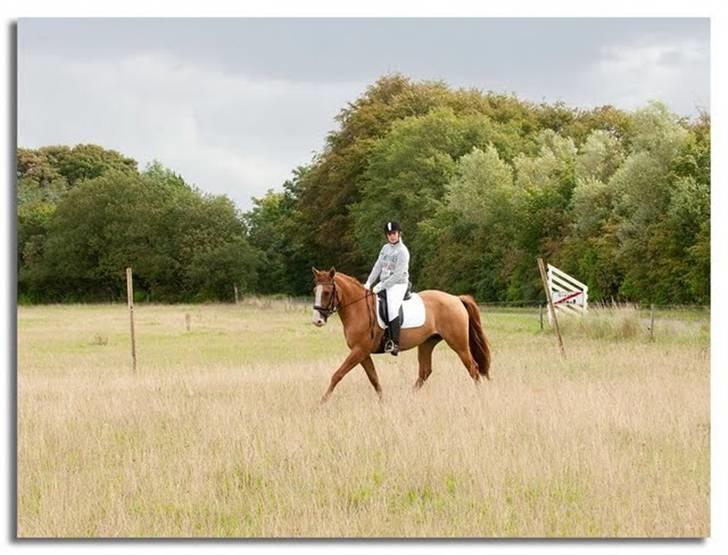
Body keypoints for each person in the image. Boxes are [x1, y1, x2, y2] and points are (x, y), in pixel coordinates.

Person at [364, 221, 410, 355]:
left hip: (398, 284)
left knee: (391, 308)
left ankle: (395, 343)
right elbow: (378, 266)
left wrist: (381, 286)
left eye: (394, 233)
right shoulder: (385, 248)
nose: (392, 236)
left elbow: (397, 275)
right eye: (389, 234)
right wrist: (368, 282)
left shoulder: (403, 251)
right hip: (384, 284)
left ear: (399, 233)